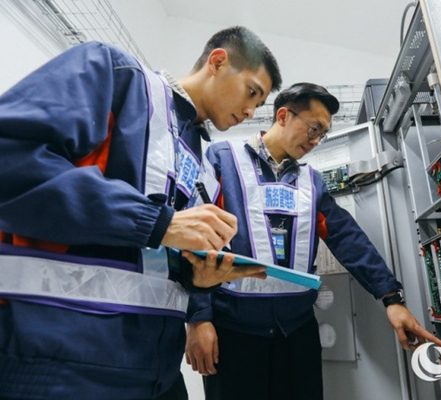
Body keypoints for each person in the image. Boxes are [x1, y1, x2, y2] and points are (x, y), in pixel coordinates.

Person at [0, 26, 282, 399]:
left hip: (158, 372)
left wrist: (198, 276)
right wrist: (157, 222)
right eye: (252, 92)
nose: (250, 111)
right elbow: (10, 157)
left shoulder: (204, 171)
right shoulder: (115, 75)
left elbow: (155, 264)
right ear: (217, 62)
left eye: (258, 106)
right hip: (60, 360)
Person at [184, 83, 441, 399]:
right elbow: (196, 238)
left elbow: (347, 238)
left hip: (297, 332)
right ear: (283, 116)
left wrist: (392, 299)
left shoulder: (311, 182)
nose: (315, 141)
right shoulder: (223, 159)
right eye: (313, 129)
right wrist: (198, 318)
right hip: (234, 332)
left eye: (322, 134)